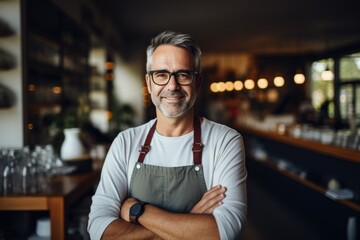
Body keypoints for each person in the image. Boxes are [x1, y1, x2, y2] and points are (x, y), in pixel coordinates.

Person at [88, 30, 247, 240]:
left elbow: (221, 232)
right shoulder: (126, 142)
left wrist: (138, 211)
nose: (172, 86)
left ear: (197, 83)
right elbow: (100, 231)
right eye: (161, 75)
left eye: (183, 74)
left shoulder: (225, 141)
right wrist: (189, 221)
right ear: (149, 82)